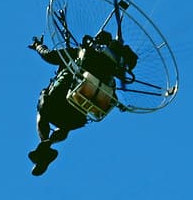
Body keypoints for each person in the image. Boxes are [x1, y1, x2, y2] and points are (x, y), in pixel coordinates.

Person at [26, 31, 137, 175]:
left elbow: (50, 56)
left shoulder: (81, 52)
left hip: (58, 101)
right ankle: (48, 143)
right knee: (65, 126)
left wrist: (38, 46)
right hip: (75, 115)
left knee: (43, 110)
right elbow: (111, 96)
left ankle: (45, 141)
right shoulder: (112, 71)